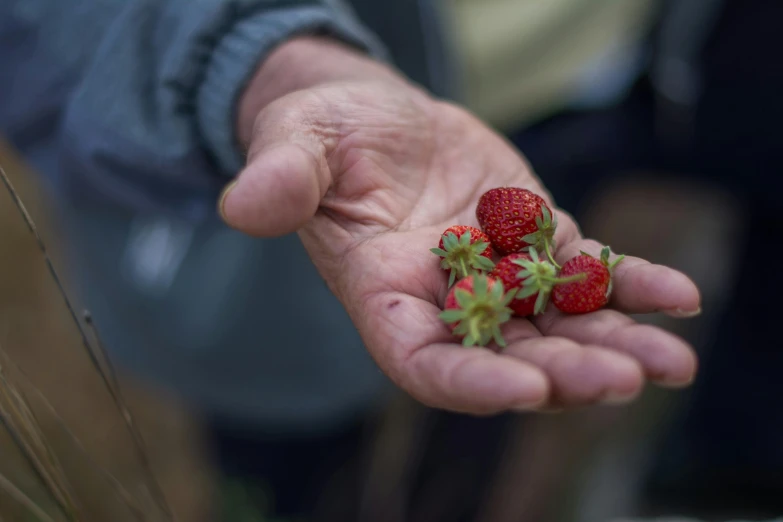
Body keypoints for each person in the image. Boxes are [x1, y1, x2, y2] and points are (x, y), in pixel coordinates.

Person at [0, 0, 701, 518]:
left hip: (576, 80)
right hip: (299, 150)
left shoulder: (515, 233)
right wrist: (252, 59)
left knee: (483, 414)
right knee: (292, 435)